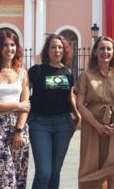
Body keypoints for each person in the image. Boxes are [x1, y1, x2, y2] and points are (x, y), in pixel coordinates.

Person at [75, 36, 114, 189]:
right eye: (101, 48)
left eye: (109, 48)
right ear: (95, 52)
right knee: (92, 165)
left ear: (113, 52)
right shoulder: (86, 76)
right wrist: (97, 125)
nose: (105, 52)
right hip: (92, 128)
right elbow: (80, 104)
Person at [28, 34, 80, 189]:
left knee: (55, 171)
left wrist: (78, 115)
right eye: (53, 47)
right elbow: (24, 94)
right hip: (39, 124)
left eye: (60, 47)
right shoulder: (37, 70)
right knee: (44, 171)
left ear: (64, 51)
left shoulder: (68, 73)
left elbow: (70, 96)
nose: (57, 50)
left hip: (63, 124)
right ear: (47, 51)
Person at [0, 30, 30, 189]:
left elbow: (26, 105)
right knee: (3, 177)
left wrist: (19, 130)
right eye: (5, 45)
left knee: (19, 174)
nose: (9, 48)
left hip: (19, 126)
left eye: (12, 45)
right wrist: (17, 105)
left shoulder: (22, 72)